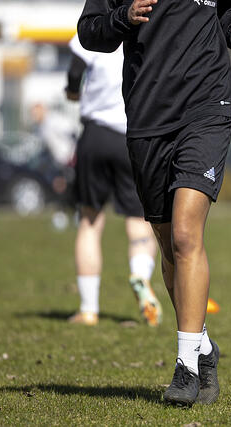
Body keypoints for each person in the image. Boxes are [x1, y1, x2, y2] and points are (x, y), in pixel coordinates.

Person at [76, 0, 231, 407]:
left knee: (186, 234)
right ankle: (201, 344)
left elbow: (228, 7)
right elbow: (90, 33)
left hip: (207, 108)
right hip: (147, 118)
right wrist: (124, 18)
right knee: (166, 246)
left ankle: (182, 366)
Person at [64, 33, 162, 328]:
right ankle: (141, 274)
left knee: (90, 221)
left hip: (95, 134)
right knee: (139, 220)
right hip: (131, 135)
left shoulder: (98, 29)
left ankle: (89, 309)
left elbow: (74, 73)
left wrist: (72, 93)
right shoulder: (148, 34)